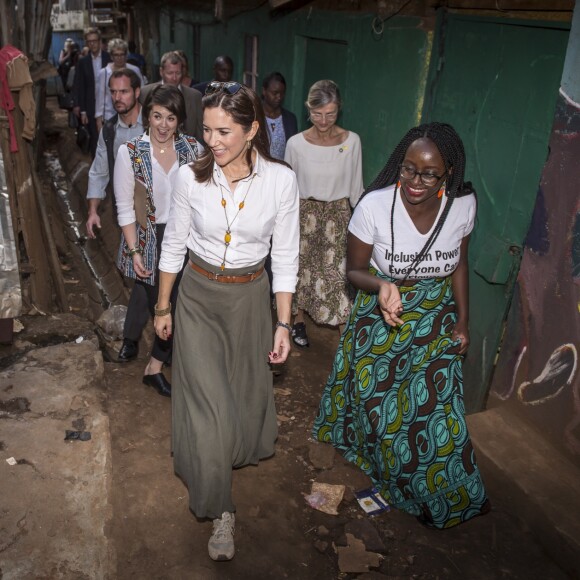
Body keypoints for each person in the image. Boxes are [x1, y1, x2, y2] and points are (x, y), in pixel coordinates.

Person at [312, 122, 491, 529]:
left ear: (448, 174)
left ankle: (444, 494)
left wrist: (464, 319)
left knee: (434, 405)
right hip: (382, 310)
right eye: (408, 168)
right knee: (383, 406)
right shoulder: (374, 205)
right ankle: (388, 466)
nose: (414, 180)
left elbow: (459, 264)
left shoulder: (462, 204)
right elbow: (354, 271)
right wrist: (382, 285)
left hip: (434, 310)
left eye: (428, 173)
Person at [154, 82, 299, 560]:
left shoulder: (281, 180)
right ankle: (221, 512)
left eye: (224, 131)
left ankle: (220, 460)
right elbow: (173, 244)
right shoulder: (189, 179)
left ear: (252, 129)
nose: (212, 141)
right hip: (196, 297)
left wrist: (282, 323)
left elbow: (286, 255)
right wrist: (162, 306)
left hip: (248, 300)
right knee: (210, 403)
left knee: (236, 395)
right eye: (207, 130)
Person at [114, 85, 202, 395]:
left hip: (184, 238)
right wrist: (135, 250)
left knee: (184, 306)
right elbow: (124, 206)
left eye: (171, 118)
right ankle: (155, 367)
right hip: (148, 240)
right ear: (147, 116)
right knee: (165, 308)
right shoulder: (131, 153)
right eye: (157, 116)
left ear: (180, 120)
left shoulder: (194, 150)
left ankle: (157, 364)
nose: (163, 125)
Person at [284, 79, 363, 347]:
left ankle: (345, 334)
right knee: (300, 270)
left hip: (338, 217)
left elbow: (356, 187)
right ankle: (298, 322)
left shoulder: (352, 142)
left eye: (330, 113)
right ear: (308, 109)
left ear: (339, 108)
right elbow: (288, 186)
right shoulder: (296, 144)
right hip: (304, 215)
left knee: (338, 274)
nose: (324, 120)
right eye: (317, 114)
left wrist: (363, 225)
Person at [85, 68, 150, 363]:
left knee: (147, 275)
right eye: (113, 92)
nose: (117, 98)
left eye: (123, 91)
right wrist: (93, 210)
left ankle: (136, 337)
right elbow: (99, 169)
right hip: (125, 213)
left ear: (137, 92)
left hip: (158, 213)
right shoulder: (110, 130)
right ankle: (146, 338)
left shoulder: (154, 123)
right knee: (141, 274)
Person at [139, 51, 203, 142]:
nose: (174, 78)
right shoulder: (145, 93)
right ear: (161, 72)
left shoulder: (195, 96)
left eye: (178, 73)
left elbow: (200, 132)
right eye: (170, 73)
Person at [72, 27, 111, 156]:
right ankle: (98, 168)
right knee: (95, 138)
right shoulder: (83, 62)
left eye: (95, 40)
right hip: (91, 106)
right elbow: (80, 85)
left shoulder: (109, 59)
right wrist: (82, 109)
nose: (93, 44)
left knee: (110, 137)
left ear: (100, 41)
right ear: (87, 43)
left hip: (109, 105)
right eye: (90, 41)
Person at [95, 38, 143, 133]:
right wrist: (98, 120)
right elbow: (99, 98)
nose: (119, 58)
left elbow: (141, 93)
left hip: (132, 117)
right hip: (110, 117)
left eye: (122, 54)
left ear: (126, 55)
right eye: (116, 55)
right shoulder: (104, 73)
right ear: (111, 56)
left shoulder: (135, 70)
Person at [261, 72, 297, 160]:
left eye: (282, 93)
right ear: (264, 91)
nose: (279, 97)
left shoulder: (290, 119)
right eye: (275, 93)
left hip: (282, 171)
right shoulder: (253, 116)